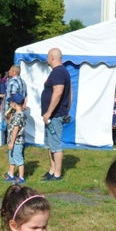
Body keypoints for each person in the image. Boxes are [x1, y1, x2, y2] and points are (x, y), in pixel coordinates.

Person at [41, 48, 72, 181]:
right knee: (50, 144)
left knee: (56, 145)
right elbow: (70, 94)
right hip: (53, 115)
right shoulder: (60, 71)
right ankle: (52, 170)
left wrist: (49, 112)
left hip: (55, 115)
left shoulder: (59, 71)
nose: (47, 59)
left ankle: (57, 174)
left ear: (52, 57)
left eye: (48, 56)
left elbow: (58, 92)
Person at [4, 92, 27, 184]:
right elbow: (11, 124)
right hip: (13, 141)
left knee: (18, 159)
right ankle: (11, 174)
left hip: (17, 142)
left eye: (10, 103)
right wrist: (8, 118)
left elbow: (15, 129)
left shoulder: (18, 115)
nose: (9, 104)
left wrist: (12, 142)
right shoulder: (18, 114)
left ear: (14, 103)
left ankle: (21, 177)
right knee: (11, 157)